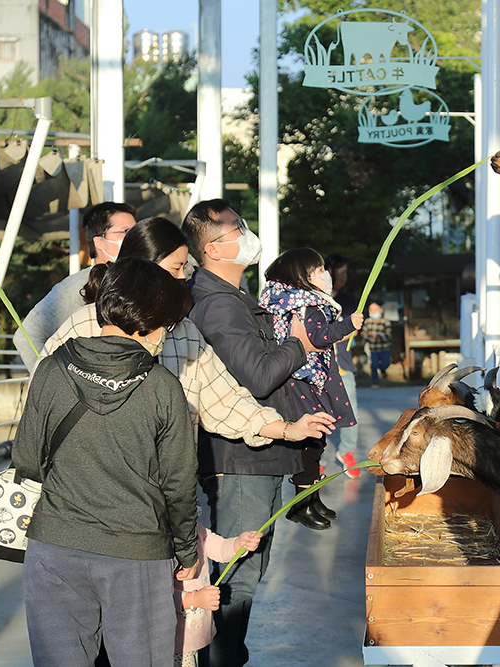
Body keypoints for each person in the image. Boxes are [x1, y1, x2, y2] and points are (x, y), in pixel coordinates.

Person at [13, 257, 199, 666]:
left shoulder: (51, 368)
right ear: (151, 323)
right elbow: (179, 485)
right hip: (136, 553)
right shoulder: (163, 388)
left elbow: (26, 459)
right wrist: (187, 550)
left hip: (55, 547)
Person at [181, 199, 329, 667]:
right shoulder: (220, 305)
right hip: (238, 459)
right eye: (236, 228)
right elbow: (258, 377)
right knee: (235, 578)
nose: (246, 233)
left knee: (243, 572)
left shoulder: (230, 299)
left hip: (253, 455)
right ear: (214, 247)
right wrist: (301, 344)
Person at [43, 216, 333, 451]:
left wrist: (287, 429)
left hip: (159, 491)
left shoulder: (183, 332)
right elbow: (42, 396)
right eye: (176, 267)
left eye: (185, 266)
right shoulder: (85, 325)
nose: (183, 276)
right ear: (144, 268)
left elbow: (224, 400)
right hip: (83, 484)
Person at [260, 248, 364, 529]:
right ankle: (301, 504)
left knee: (315, 443)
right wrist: (347, 325)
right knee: (311, 443)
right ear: (301, 277)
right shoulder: (309, 306)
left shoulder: (290, 302)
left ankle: (311, 501)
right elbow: (317, 337)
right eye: (318, 271)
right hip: (306, 383)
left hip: (298, 381)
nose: (325, 275)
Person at [15, 201, 136, 370]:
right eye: (125, 232)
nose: (134, 238)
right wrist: (47, 381)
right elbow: (26, 335)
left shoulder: (140, 280)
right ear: (99, 242)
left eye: (136, 231)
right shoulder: (77, 286)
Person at [175, 523, 262, 667]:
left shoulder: (193, 527)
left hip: (191, 639)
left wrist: (238, 544)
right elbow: (156, 595)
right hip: (172, 642)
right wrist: (193, 599)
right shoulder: (159, 537)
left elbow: (219, 548)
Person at [324, 252, 362, 477]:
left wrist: (337, 333)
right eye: (341, 273)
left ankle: (347, 452)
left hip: (343, 365)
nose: (344, 277)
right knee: (319, 413)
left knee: (351, 411)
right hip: (319, 366)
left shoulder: (348, 301)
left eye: (346, 273)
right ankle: (316, 459)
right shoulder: (316, 299)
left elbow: (353, 330)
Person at [362, 301, 393, 387]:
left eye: (376, 309)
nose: (373, 312)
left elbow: (388, 335)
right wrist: (364, 339)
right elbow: (365, 333)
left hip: (384, 348)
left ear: (381, 310)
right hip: (373, 348)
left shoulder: (385, 322)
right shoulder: (367, 322)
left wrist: (379, 336)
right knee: (374, 365)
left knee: (386, 363)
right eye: (371, 310)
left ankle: (383, 370)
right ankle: (375, 381)